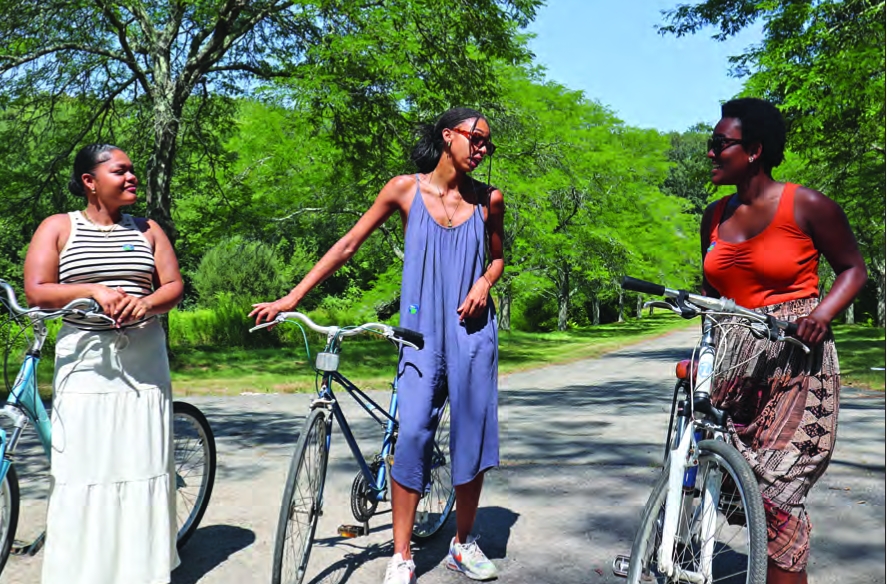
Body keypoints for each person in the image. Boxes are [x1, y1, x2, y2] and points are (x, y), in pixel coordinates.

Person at [251, 107, 504, 583]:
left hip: (472, 332)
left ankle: (462, 543)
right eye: (476, 138)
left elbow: (497, 258)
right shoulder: (404, 189)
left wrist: (484, 283)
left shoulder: (489, 199)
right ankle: (402, 555)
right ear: (447, 136)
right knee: (412, 435)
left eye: (488, 143)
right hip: (420, 333)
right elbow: (348, 245)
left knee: (471, 437)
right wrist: (292, 297)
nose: (483, 148)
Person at [701, 98, 868, 584]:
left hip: (796, 363)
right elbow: (711, 297)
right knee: (729, 483)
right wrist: (705, 359)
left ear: (754, 150)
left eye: (719, 144)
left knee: (780, 494)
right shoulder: (713, 216)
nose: (710, 153)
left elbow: (853, 269)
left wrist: (822, 313)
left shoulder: (807, 205)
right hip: (734, 366)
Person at [23, 144, 184, 584]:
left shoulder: (148, 229)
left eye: (132, 170)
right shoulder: (58, 227)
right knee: (83, 464)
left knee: (141, 459)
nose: (132, 177)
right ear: (90, 181)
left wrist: (146, 302)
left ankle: (141, 570)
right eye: (120, 171)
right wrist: (93, 290)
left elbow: (173, 285)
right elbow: (38, 290)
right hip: (84, 358)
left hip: (144, 358)